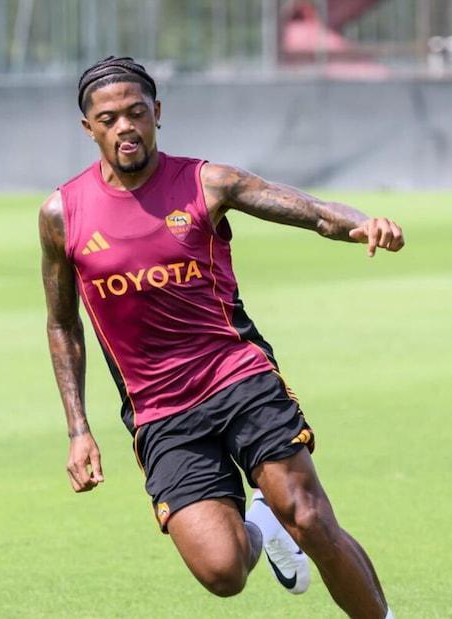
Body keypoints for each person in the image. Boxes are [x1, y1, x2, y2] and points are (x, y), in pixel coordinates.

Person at [39, 56, 404, 618]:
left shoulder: (207, 183)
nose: (125, 127)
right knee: (223, 571)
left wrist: (363, 223)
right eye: (108, 119)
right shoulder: (62, 214)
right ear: (89, 128)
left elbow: (313, 212)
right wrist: (78, 429)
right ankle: (263, 523)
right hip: (160, 410)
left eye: (137, 113)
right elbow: (63, 323)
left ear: (158, 112)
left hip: (237, 378)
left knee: (309, 517)